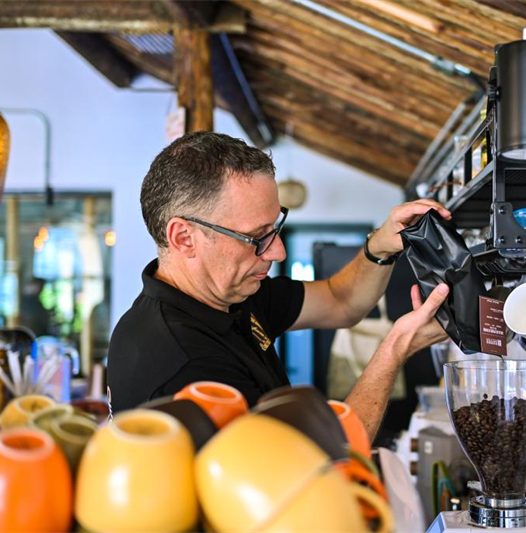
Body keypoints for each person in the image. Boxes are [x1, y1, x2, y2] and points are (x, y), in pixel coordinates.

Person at [107, 132, 451, 441]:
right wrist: (396, 347)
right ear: (184, 238)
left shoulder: (231, 295)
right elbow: (317, 465)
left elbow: (340, 300)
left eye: (275, 228)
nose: (278, 250)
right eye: (256, 237)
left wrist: (381, 244)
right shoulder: (182, 364)